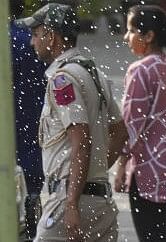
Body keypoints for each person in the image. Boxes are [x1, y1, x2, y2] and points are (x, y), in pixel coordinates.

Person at [16, 3, 123, 241]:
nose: (33, 42)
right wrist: (95, 172)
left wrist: (72, 202)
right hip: (100, 203)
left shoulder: (63, 80)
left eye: (36, 35)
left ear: (51, 36)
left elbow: (81, 139)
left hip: (69, 200)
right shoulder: (94, 73)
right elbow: (120, 131)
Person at [114, 5, 166, 242]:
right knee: (159, 234)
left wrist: (121, 165)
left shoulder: (140, 70)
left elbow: (132, 124)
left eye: (131, 30)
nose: (126, 37)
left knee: (150, 237)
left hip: (148, 169)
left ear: (148, 36)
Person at [10, 0, 47, 240]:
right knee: (30, 204)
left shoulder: (11, 39)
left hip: (9, 140)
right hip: (35, 133)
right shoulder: (33, 38)